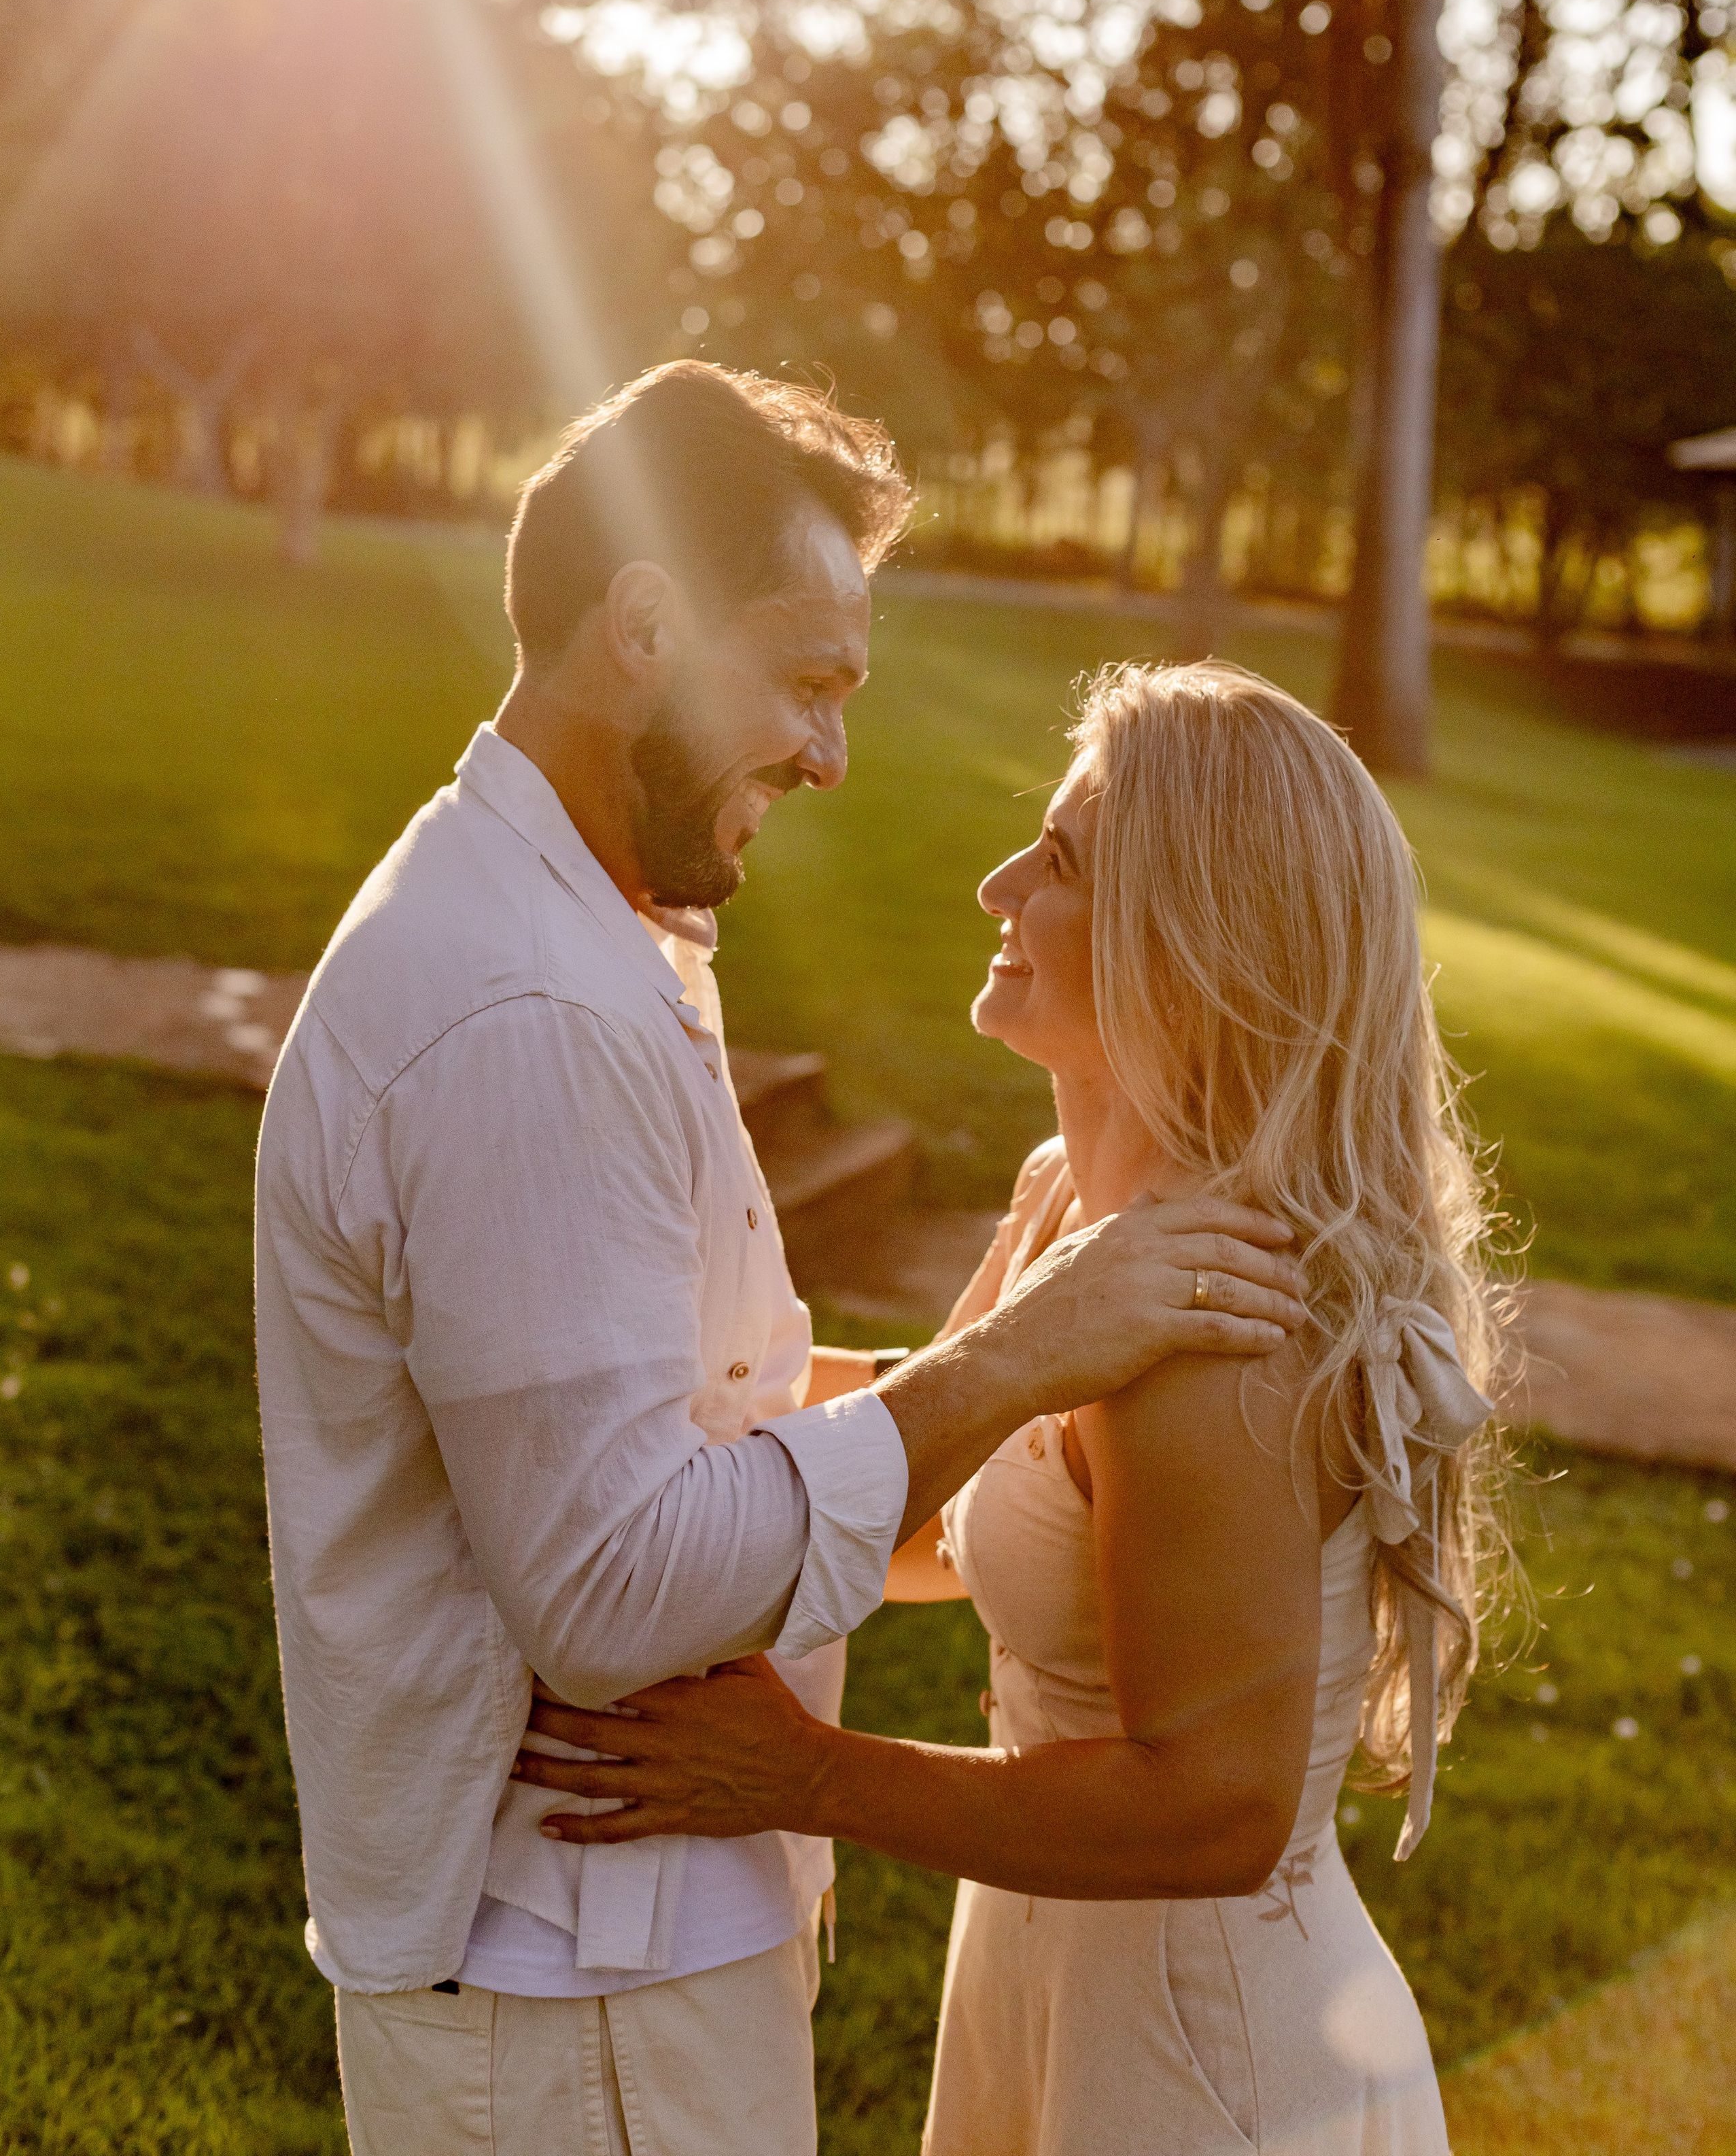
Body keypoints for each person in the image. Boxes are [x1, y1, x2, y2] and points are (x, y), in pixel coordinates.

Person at [254, 366, 1308, 2156]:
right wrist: (1016, 1362)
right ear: (644, 630)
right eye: (809, 682)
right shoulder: (528, 1010)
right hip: (572, 1985)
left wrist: (999, 1373)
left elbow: (671, 1411)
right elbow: (615, 1592)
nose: (831, 756)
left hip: (614, 1958)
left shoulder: (591, 928)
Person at [513, 658, 1512, 2156]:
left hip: (1201, 2056)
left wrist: (802, 1775)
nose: (996, 887)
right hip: (1051, 1988)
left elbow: (1215, 1812)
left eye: (1056, 861)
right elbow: (939, 1498)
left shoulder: (1212, 1327)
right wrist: (626, 1397)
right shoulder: (1072, 1213)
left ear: (1189, 941)